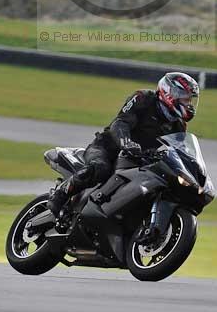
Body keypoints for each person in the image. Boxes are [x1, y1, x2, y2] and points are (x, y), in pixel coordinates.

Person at [47, 71, 200, 217]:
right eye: (186, 99)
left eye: (190, 100)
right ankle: (61, 194)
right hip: (107, 148)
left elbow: (179, 152)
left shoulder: (178, 125)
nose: (189, 104)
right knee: (100, 168)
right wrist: (127, 143)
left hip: (139, 162)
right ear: (170, 94)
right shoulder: (143, 99)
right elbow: (121, 123)